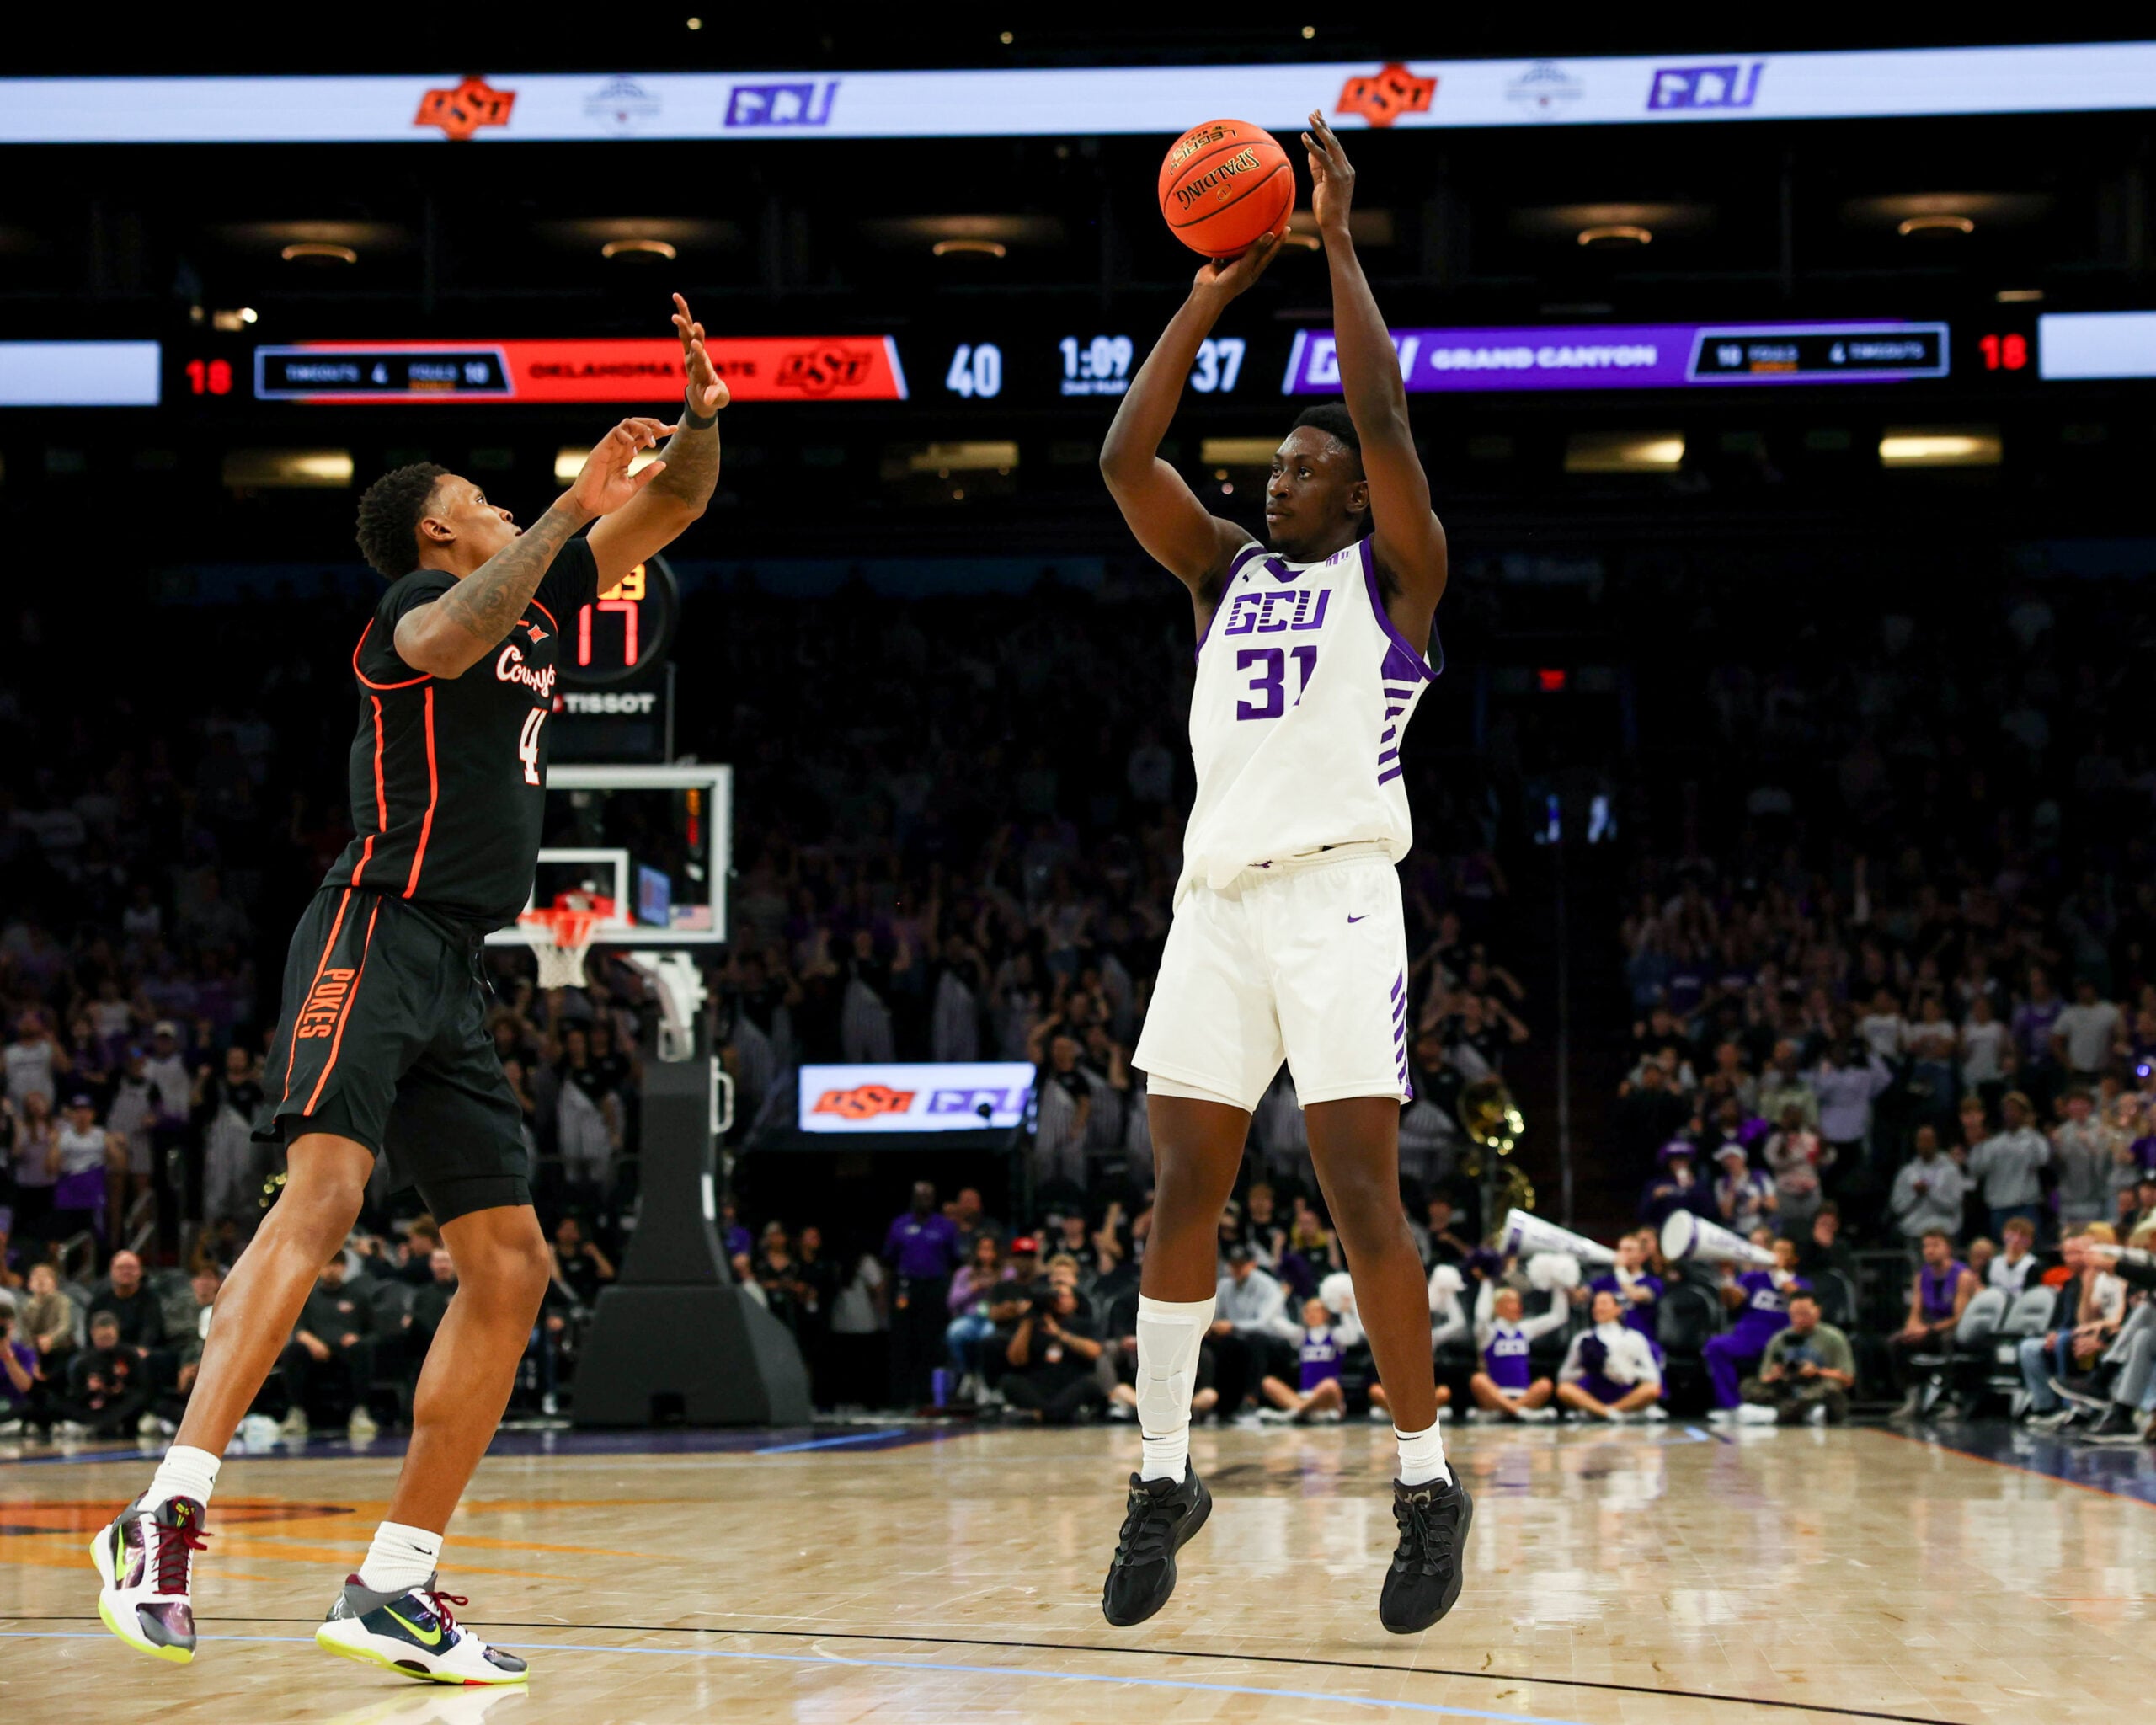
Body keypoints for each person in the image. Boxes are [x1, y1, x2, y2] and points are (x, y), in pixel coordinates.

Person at [91, 294, 727, 1682]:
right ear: (440, 530)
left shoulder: (539, 588)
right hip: (369, 929)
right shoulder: (406, 611)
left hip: (453, 966)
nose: (509, 509)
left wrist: (701, 415)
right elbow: (453, 641)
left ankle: (394, 1582)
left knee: (510, 1264)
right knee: (320, 1197)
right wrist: (564, 513)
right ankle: (167, 1507)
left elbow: (674, 505)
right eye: (486, 500)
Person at [1096, 114, 1466, 1637]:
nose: (1277, 478)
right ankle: (1162, 1472)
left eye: (1306, 468)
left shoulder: (1398, 579)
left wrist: (1339, 242)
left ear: (1362, 498)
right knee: (1183, 1180)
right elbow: (1127, 455)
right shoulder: (1221, 576)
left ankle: (1428, 1479)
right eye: (1275, 462)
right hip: (1218, 902)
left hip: (1335, 899)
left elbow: (1379, 400)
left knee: (1358, 1188)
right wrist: (1209, 289)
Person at [1705, 1236, 1809, 1416]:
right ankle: (1731, 1407)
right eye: (1774, 1251)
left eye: (1783, 1252)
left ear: (1794, 1259)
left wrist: (1780, 1274)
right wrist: (1728, 1278)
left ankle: (1797, 1408)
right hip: (1749, 1338)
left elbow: (1798, 1297)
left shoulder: (1802, 1283)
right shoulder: (1753, 1278)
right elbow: (1732, 1302)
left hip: (1782, 1342)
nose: (1776, 1255)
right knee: (1715, 1346)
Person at [883, 1180, 963, 1405]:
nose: (924, 1200)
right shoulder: (899, 1225)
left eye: (929, 1196)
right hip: (906, 1287)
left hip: (934, 1287)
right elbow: (889, 1259)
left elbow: (954, 1259)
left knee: (931, 1341)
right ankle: (900, 1397)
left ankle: (927, 1395)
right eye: (920, 1195)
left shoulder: (945, 1226)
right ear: (913, 1197)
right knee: (903, 1341)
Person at [1886, 1230, 1979, 1418]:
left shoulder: (1963, 1276)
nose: (1929, 1250)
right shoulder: (1921, 1276)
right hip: (1930, 1328)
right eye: (1926, 1246)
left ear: (1948, 1249)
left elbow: (1959, 1317)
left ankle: (1955, 1400)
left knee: (1950, 1341)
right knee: (1897, 1341)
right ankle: (1912, 1397)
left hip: (1953, 1329)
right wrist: (1912, 1329)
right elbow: (1915, 1311)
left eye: (1935, 1245)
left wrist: (1928, 1330)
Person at [1739, 1291, 1856, 1426]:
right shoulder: (1779, 1339)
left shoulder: (1834, 1338)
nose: (1799, 1319)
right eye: (1795, 1314)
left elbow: (1848, 1379)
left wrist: (1817, 1371)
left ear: (1818, 1311)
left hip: (1817, 1388)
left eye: (1805, 1314)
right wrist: (1776, 1374)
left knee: (1830, 1388)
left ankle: (1787, 1412)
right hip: (1787, 1387)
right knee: (1747, 1386)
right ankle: (1796, 1411)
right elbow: (1764, 1377)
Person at [1002, 1279, 1107, 1424]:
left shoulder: (1084, 1324)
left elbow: (1095, 1352)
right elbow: (1016, 1360)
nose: (1058, 1300)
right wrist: (1027, 1320)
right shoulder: (1031, 1325)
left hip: (1070, 1384)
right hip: (1039, 1385)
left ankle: (1039, 1415)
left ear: (1075, 1302)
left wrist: (1059, 1333)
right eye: (1054, 1296)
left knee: (1090, 1383)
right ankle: (1055, 1414)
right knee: (1009, 1381)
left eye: (1063, 1296)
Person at [1554, 1289, 1663, 1422]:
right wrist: (1587, 1369)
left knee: (1652, 1389)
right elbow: (1562, 1377)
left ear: (1618, 1309)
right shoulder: (1583, 1338)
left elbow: (1654, 1377)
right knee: (1564, 1390)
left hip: (1624, 1394)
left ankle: (1611, 1410)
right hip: (1592, 1393)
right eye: (1596, 1304)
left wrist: (1629, 1370)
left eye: (1604, 1303)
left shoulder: (1634, 1338)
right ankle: (1605, 1412)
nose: (1599, 1308)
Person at [1466, 1276, 1566, 1422]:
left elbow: (1559, 1317)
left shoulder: (1525, 1329)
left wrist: (1559, 1284)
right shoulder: (1488, 1332)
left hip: (1524, 1395)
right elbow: (1481, 1318)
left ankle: (1505, 1412)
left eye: (1519, 1302)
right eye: (1511, 1302)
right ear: (1497, 1307)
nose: (1518, 1306)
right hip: (1495, 1396)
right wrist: (1487, 1280)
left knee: (1545, 1384)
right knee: (1478, 1380)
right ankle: (1521, 1412)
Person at [1258, 1294, 1364, 1424]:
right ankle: (1305, 1411)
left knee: (1330, 1385)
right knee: (1268, 1382)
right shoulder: (1301, 1336)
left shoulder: (1335, 1335)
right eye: (1307, 1311)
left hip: (1327, 1399)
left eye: (1317, 1310)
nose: (1311, 1314)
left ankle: (1293, 1413)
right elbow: (1270, 1321)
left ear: (1326, 1314)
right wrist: (1281, 1296)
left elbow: (1352, 1337)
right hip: (1304, 1396)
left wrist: (1345, 1310)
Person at [1969, 1092, 2052, 1241]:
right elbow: (1977, 1169)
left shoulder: (2035, 1139)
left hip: (2026, 1205)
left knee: (2030, 1248)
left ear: (2025, 1114)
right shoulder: (1993, 1143)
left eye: (2015, 1110)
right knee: (2003, 1250)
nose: (2011, 1114)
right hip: (1999, 1207)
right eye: (2007, 1110)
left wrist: (2032, 1132)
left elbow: (2042, 1160)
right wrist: (1978, 1145)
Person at [1888, 1128, 1967, 1251]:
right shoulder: (1907, 1172)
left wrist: (1930, 1192)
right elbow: (1897, 1207)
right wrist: (1915, 1195)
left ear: (1936, 1143)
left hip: (1944, 1230)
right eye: (1921, 1141)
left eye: (1928, 1141)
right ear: (1916, 1144)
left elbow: (1954, 1204)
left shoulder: (1951, 1171)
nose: (1925, 1145)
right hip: (1914, 1231)